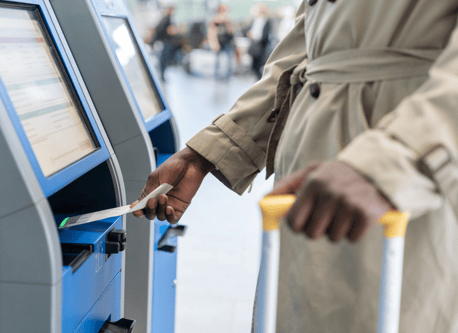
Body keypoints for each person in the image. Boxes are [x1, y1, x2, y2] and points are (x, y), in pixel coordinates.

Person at [133, 1, 458, 332]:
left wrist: (396, 157)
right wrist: (205, 152)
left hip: (405, 180)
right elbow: (303, 54)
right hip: (309, 172)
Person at [208, 4, 235, 79]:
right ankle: (216, 75)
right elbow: (211, 32)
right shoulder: (214, 19)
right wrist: (214, 43)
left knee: (229, 59)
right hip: (219, 41)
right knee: (217, 60)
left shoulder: (229, 19)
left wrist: (227, 22)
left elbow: (231, 31)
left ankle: (227, 76)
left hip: (227, 42)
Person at [246, 3, 272, 80]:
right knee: (253, 66)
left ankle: (260, 80)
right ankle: (259, 79)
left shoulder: (268, 21)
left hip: (262, 46)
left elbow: (266, 35)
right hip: (254, 46)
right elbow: (247, 30)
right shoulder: (254, 20)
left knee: (261, 65)